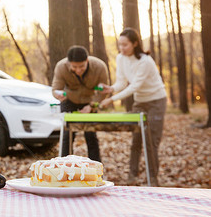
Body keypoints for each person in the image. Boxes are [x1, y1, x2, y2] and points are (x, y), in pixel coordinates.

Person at [100, 28, 167, 186]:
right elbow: (122, 82)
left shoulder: (145, 61)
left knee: (151, 141)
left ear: (135, 43)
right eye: (120, 44)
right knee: (137, 139)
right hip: (140, 102)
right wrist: (111, 89)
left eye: (125, 45)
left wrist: (111, 100)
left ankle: (153, 180)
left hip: (156, 100)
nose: (122, 48)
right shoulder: (120, 58)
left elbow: (135, 86)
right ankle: (132, 176)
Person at [52, 45, 109, 162]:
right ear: (69, 63)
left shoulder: (100, 66)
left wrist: (92, 106)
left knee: (91, 135)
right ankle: (64, 168)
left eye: (81, 66)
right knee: (67, 135)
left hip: (90, 101)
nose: (78, 70)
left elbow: (104, 92)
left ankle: (96, 170)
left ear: (87, 60)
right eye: (74, 67)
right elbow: (55, 89)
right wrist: (58, 95)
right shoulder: (61, 67)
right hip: (69, 101)